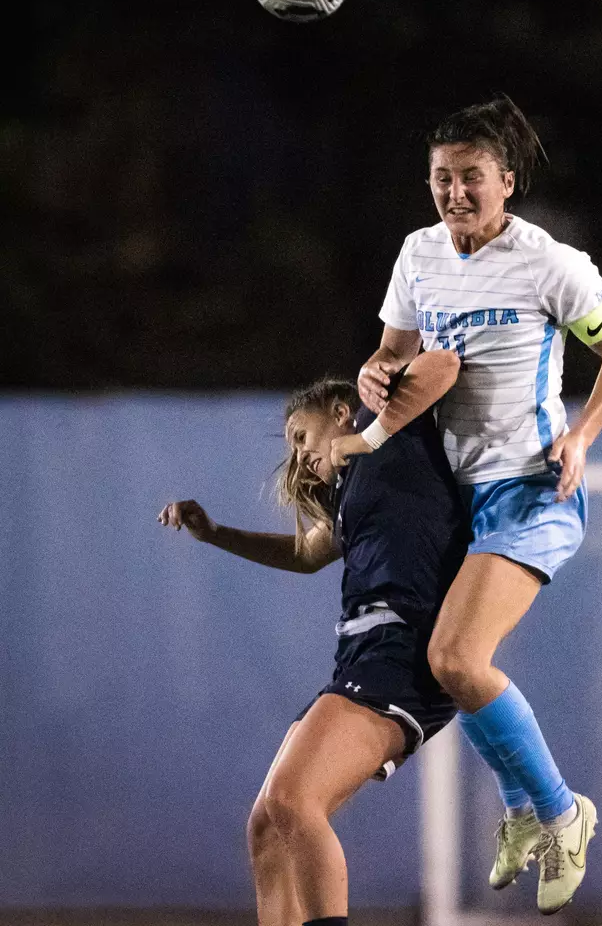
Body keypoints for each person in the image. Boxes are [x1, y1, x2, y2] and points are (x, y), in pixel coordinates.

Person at [358, 95, 602, 914]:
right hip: (454, 499)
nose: (456, 191)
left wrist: (582, 436)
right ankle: (519, 808)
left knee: (454, 659)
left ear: (506, 181)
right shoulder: (418, 255)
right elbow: (391, 354)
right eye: (442, 177)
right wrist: (376, 372)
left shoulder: (550, 263)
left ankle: (562, 813)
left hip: (531, 490)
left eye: (472, 176)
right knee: (453, 666)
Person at [158, 349, 469, 926]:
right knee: (268, 828)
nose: (298, 454)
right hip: (366, 658)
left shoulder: (385, 432)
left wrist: (373, 406)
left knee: (292, 800)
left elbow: (445, 365)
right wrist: (215, 533)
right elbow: (306, 553)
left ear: (340, 411)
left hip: (401, 653)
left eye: (301, 436)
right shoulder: (354, 490)